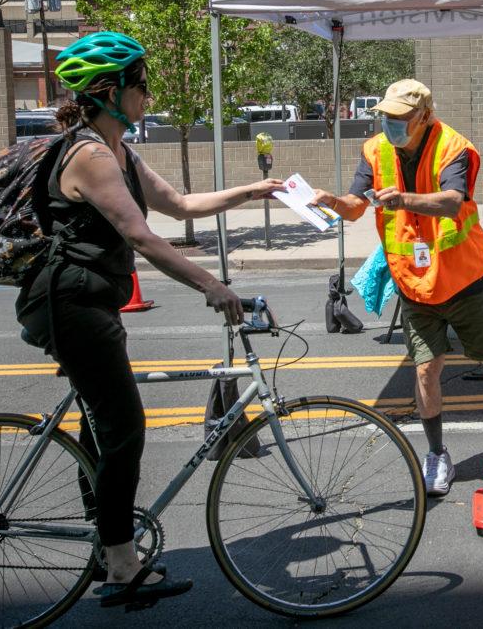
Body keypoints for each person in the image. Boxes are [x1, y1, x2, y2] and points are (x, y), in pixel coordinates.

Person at [16, 31, 284, 608]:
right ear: (110, 91)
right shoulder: (87, 154)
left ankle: (103, 545)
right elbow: (140, 235)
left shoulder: (121, 153)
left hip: (90, 303)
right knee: (126, 428)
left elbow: (181, 205)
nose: (148, 95)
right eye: (141, 85)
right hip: (70, 304)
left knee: (101, 428)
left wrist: (255, 191)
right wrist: (212, 285)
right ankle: (120, 566)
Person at [311, 79, 483, 497]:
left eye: (400, 118)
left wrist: (401, 200)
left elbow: (453, 201)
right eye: (386, 115)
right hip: (415, 287)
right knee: (425, 369)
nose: (390, 124)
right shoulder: (374, 149)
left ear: (424, 116)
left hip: (464, 281)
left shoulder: (454, 147)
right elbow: (355, 206)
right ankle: (437, 454)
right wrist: (330, 200)